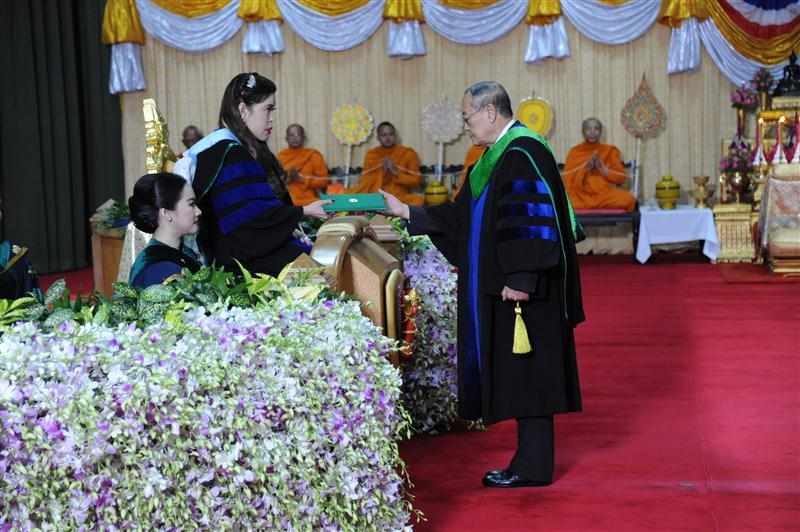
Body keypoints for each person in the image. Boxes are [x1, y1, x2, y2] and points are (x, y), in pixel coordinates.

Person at [381, 81, 583, 488]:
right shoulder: (496, 157)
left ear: (490, 113)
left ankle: (532, 467)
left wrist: (522, 278)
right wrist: (408, 212)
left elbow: (530, 218)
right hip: (512, 285)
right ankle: (529, 463)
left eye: (467, 117)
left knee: (530, 374)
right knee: (524, 374)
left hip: (526, 289)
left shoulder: (523, 153)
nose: (465, 126)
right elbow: (462, 219)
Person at [189, 73, 329, 276]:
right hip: (241, 262)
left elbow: (257, 209)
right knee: (321, 272)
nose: (272, 119)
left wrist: (289, 226)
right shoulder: (232, 154)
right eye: (268, 109)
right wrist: (303, 212)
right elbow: (246, 220)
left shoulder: (227, 149)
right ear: (243, 109)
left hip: (247, 250)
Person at [128, 172, 203, 288]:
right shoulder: (161, 269)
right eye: (191, 204)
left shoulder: (181, 251)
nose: (198, 211)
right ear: (166, 212)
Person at [561, 118, 635, 212]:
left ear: (600, 132)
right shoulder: (575, 152)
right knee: (562, 201)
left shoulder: (609, 151)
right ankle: (593, 205)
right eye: (588, 129)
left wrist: (601, 169)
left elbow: (621, 178)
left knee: (629, 199)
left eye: (596, 129)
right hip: (581, 195)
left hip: (604, 195)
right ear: (583, 132)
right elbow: (567, 179)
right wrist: (586, 168)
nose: (592, 132)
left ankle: (591, 205)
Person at [348, 122, 424, 206]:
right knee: (352, 199)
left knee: (418, 200)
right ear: (378, 138)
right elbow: (364, 181)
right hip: (378, 195)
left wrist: (395, 172)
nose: (387, 138)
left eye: (391, 134)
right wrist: (382, 173)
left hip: (400, 197)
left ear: (395, 136)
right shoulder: (372, 154)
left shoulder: (407, 153)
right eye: (383, 135)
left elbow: (417, 181)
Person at [277, 124, 330, 206]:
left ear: (304, 138)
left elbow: (324, 182)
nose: (295, 137)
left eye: (298, 134)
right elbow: (275, 183)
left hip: (308, 200)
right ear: (286, 139)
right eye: (291, 135)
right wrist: (288, 179)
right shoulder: (281, 157)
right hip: (287, 199)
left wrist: (302, 180)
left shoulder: (313, 155)